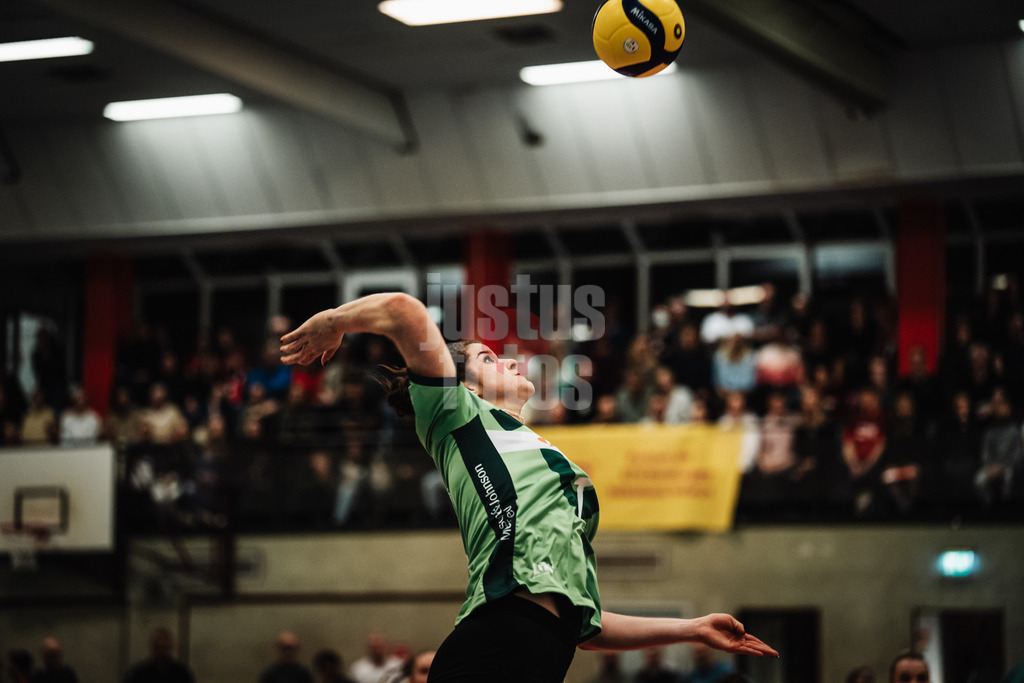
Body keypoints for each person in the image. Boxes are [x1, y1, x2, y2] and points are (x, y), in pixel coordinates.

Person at [280, 292, 777, 683]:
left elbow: (585, 624)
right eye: (489, 358)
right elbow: (402, 311)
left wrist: (692, 629)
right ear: (464, 384)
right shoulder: (456, 416)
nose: (511, 361)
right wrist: (336, 320)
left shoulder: (536, 448)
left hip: (546, 652)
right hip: (495, 639)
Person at [122, 628, 195, 683]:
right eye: (158, 647)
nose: (161, 651)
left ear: (170, 647)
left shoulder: (181, 673)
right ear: (152, 647)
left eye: (164, 647)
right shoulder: (139, 673)